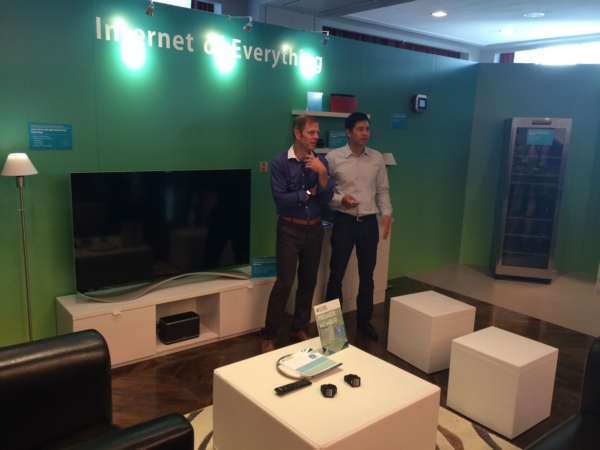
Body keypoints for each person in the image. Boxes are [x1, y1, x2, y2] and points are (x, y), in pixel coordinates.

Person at [261, 115, 335, 353]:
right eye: (311, 132)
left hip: (314, 228)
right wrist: (309, 193)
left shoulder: (321, 162)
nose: (316, 137)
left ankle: (299, 328)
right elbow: (280, 200)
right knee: (284, 283)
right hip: (289, 229)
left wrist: (322, 174)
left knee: (308, 280)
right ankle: (269, 335)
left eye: (317, 133)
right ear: (297, 134)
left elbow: (327, 197)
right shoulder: (280, 162)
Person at [325, 112, 392, 340]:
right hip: (344, 222)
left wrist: (387, 213)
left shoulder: (377, 158)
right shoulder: (333, 158)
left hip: (368, 224)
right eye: (360, 129)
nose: (365, 133)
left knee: (367, 276)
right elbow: (325, 192)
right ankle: (332, 329)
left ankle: (364, 321)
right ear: (348, 132)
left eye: (367, 129)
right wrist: (340, 199)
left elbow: (383, 190)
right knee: (336, 275)